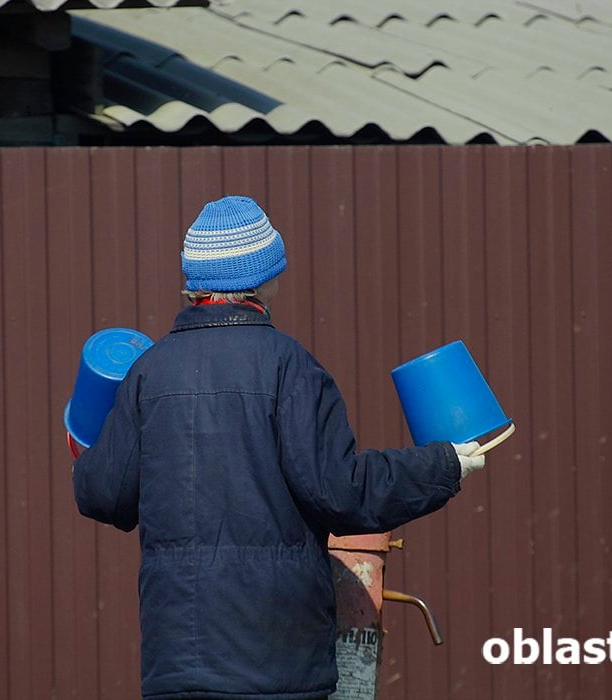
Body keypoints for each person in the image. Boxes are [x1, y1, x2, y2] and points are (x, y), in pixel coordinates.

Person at [73, 195, 485, 700]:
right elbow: (342, 493)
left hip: (178, 665)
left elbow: (102, 495)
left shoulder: (147, 374)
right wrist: (442, 465)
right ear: (265, 279)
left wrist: (81, 440)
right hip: (277, 666)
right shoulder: (290, 367)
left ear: (193, 283)